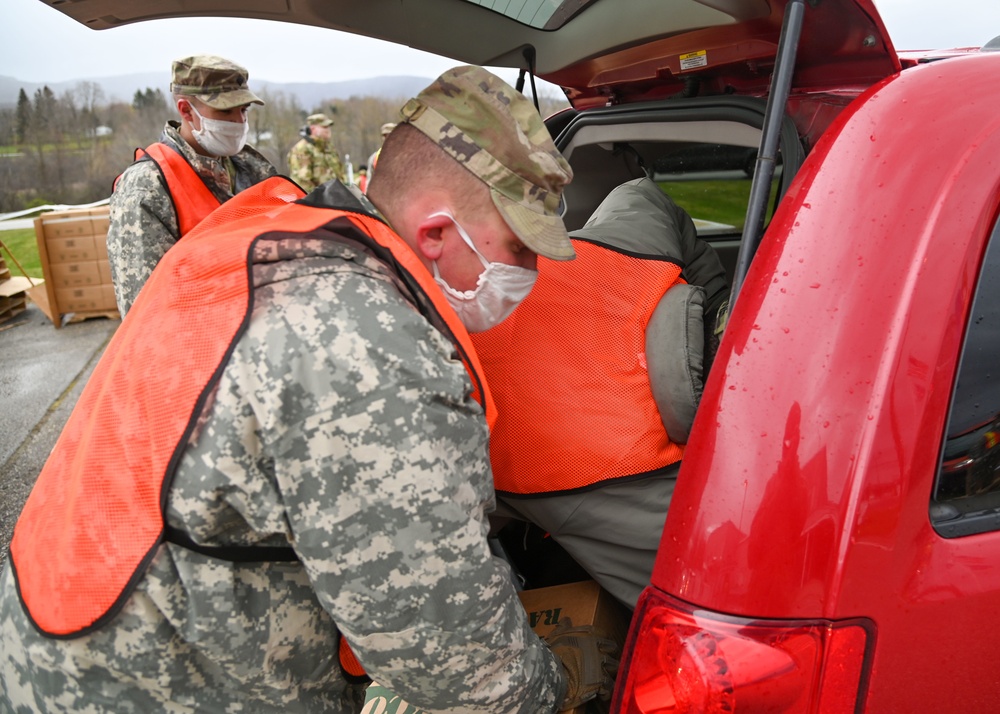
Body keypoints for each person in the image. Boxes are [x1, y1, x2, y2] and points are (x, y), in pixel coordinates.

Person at [0, 65, 616, 714]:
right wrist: (556, 690)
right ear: (435, 233)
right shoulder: (365, 337)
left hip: (72, 627)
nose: (527, 273)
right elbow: (451, 656)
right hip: (152, 679)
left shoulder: (289, 233)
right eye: (519, 250)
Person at [472, 177, 730, 609]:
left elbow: (638, 191)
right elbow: (702, 603)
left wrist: (718, 296)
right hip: (543, 467)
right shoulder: (621, 483)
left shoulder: (632, 241)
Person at [107, 54, 277, 316]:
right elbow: (145, 310)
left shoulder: (250, 167)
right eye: (225, 111)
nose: (239, 122)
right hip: (206, 341)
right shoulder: (148, 186)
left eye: (244, 110)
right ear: (186, 110)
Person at [287, 112, 347, 192]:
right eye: (324, 127)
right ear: (313, 129)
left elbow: (340, 174)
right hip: (316, 201)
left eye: (329, 127)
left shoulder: (329, 148)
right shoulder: (302, 149)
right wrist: (319, 200)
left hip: (337, 199)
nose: (328, 130)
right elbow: (302, 183)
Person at [364, 121, 396, 192]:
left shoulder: (404, 155)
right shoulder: (375, 158)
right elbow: (369, 183)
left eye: (390, 135)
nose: (387, 138)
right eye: (384, 135)